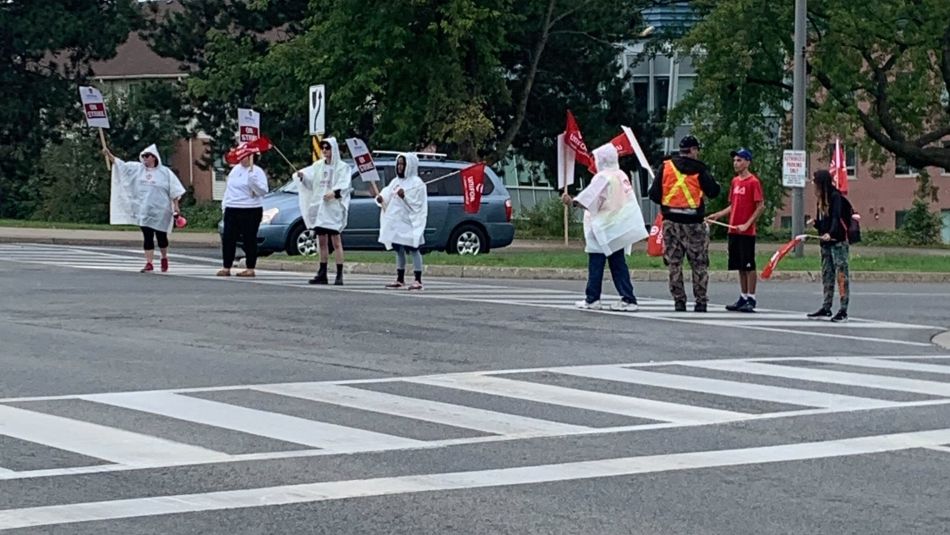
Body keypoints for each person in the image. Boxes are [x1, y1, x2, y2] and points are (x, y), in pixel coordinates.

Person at [561, 144, 647, 311]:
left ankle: (593, 298)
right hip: (618, 225)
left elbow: (590, 198)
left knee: (596, 263)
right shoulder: (621, 175)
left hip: (602, 226)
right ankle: (628, 298)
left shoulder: (603, 177)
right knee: (618, 264)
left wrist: (571, 201)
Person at [648, 135, 721, 312]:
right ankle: (700, 301)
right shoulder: (700, 169)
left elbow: (654, 194)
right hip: (693, 223)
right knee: (699, 263)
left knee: (674, 263)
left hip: (671, 222)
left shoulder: (666, 167)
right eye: (697, 150)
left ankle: (679, 300)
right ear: (693, 150)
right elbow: (713, 191)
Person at [105, 144, 185, 273]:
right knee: (147, 236)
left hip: (161, 210)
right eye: (143, 156)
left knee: (161, 237)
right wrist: (109, 155)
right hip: (144, 210)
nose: (145, 159)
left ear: (154, 157)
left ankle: (164, 257)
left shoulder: (165, 172)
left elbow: (175, 191)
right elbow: (122, 166)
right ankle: (149, 262)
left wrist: (176, 207)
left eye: (147, 156)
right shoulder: (138, 169)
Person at [706, 148, 764, 312]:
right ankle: (743, 296)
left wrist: (747, 224)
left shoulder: (753, 182)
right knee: (739, 265)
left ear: (747, 162)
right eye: (734, 160)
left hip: (746, 231)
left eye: (739, 160)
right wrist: (718, 215)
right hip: (734, 229)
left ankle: (751, 298)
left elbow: (760, 206)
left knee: (748, 265)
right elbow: (733, 205)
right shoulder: (735, 181)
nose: (736, 163)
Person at [296, 137, 351, 285]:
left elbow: (345, 186)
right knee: (321, 241)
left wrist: (334, 193)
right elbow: (312, 184)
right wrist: (303, 178)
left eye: (328, 148)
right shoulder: (318, 166)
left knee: (336, 241)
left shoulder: (342, 167)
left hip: (333, 208)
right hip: (320, 208)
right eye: (323, 148)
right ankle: (322, 272)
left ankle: (339, 274)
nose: (325, 151)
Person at [376, 152, 427, 290]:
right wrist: (381, 198)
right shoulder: (396, 182)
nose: (399, 167)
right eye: (398, 164)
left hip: (410, 222)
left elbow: (417, 204)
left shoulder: (417, 183)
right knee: (398, 249)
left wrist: (405, 197)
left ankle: (418, 279)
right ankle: (400, 278)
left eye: (402, 164)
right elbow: (387, 193)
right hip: (397, 222)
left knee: (414, 249)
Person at [218, 142, 269, 277]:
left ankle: (250, 267)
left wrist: (253, 183)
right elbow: (229, 190)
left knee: (249, 238)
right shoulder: (235, 171)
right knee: (229, 238)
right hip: (233, 208)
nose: (242, 158)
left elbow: (263, 191)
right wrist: (225, 206)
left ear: (251, 156)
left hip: (250, 209)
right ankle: (226, 266)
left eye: (245, 156)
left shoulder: (256, 171)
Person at [807, 169, 850, 322]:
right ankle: (826, 307)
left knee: (841, 275)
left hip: (838, 242)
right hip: (825, 243)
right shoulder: (821, 199)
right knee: (827, 275)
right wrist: (817, 224)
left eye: (815, 182)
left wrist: (831, 233)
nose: (813, 185)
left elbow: (836, 219)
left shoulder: (835, 197)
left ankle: (843, 309)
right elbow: (825, 221)